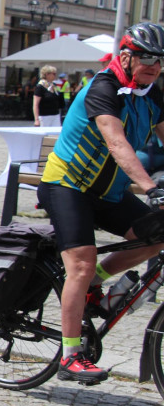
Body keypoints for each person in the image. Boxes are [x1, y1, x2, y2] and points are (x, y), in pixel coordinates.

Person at [37, 22, 164, 385]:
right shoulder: (104, 87)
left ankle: (96, 284)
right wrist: (150, 186)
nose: (154, 65)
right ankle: (71, 355)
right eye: (146, 57)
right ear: (126, 55)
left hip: (108, 193)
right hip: (68, 185)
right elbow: (116, 141)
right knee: (80, 263)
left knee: (157, 236)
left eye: (160, 60)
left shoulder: (153, 95)